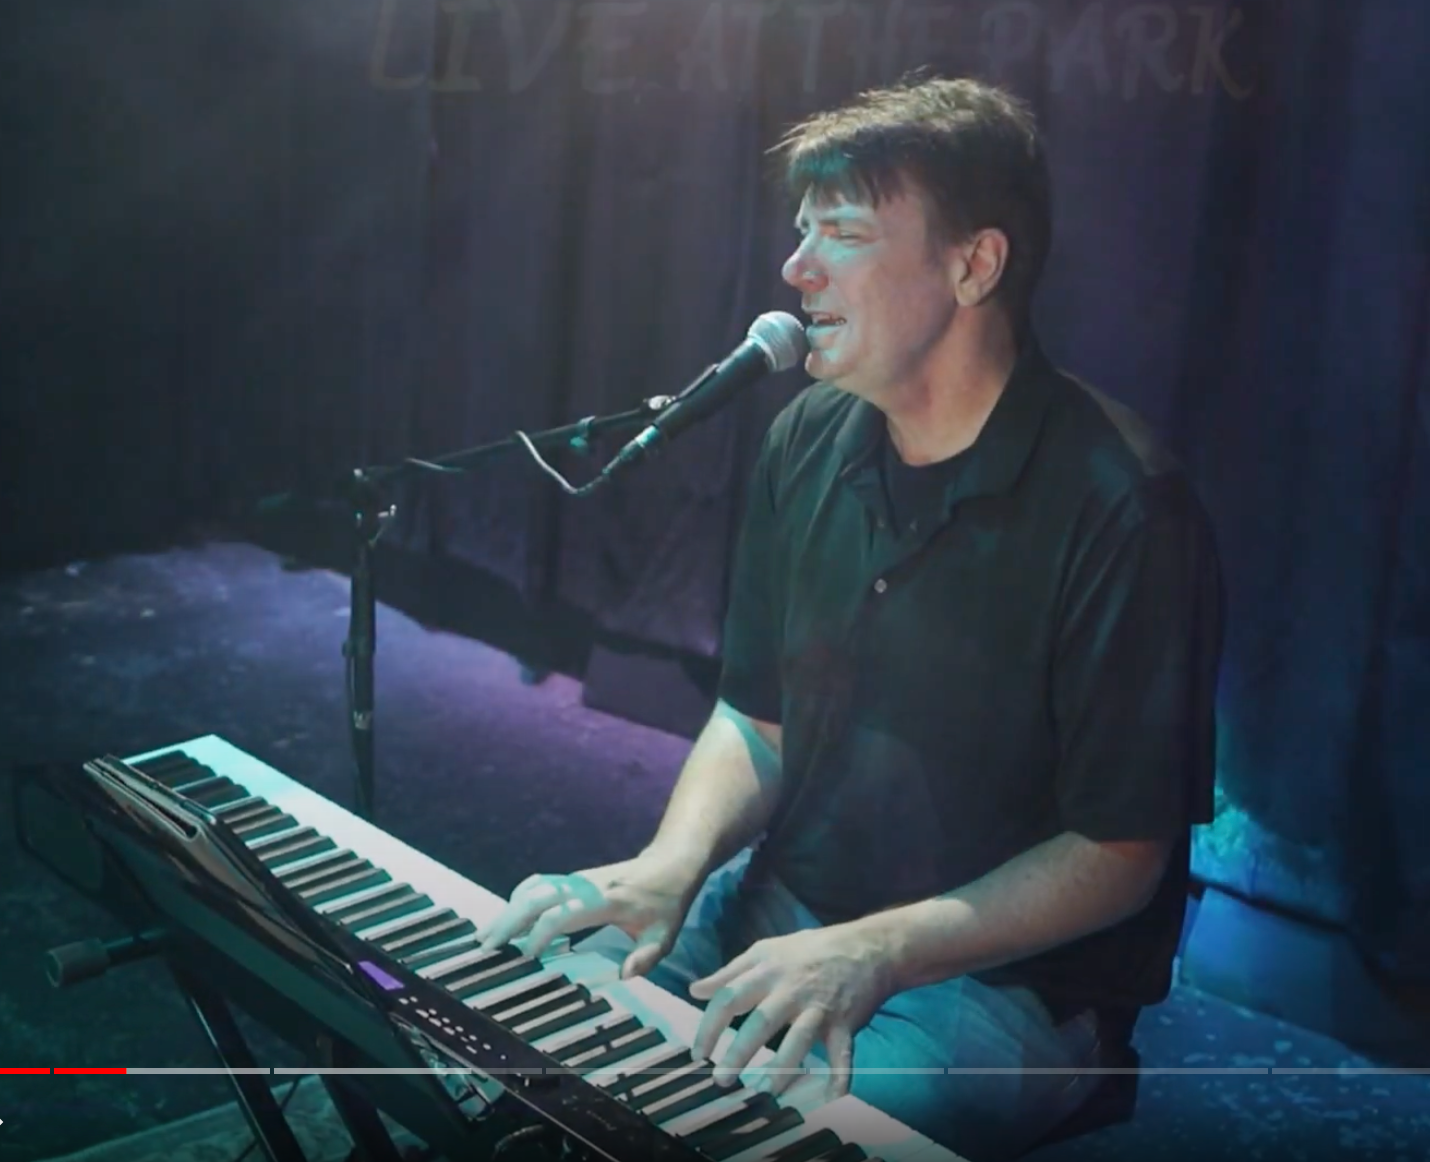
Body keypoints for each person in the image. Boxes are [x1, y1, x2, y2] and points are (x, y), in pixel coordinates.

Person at [477, 74, 1224, 1161]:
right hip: (782, 907)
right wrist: (668, 864)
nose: (797, 268)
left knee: (767, 1139)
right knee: (520, 1021)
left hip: (1000, 985)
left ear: (973, 266)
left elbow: (1120, 853)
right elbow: (755, 719)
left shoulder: (1124, 505)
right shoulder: (808, 437)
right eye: (801, 230)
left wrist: (874, 951)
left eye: (844, 234)